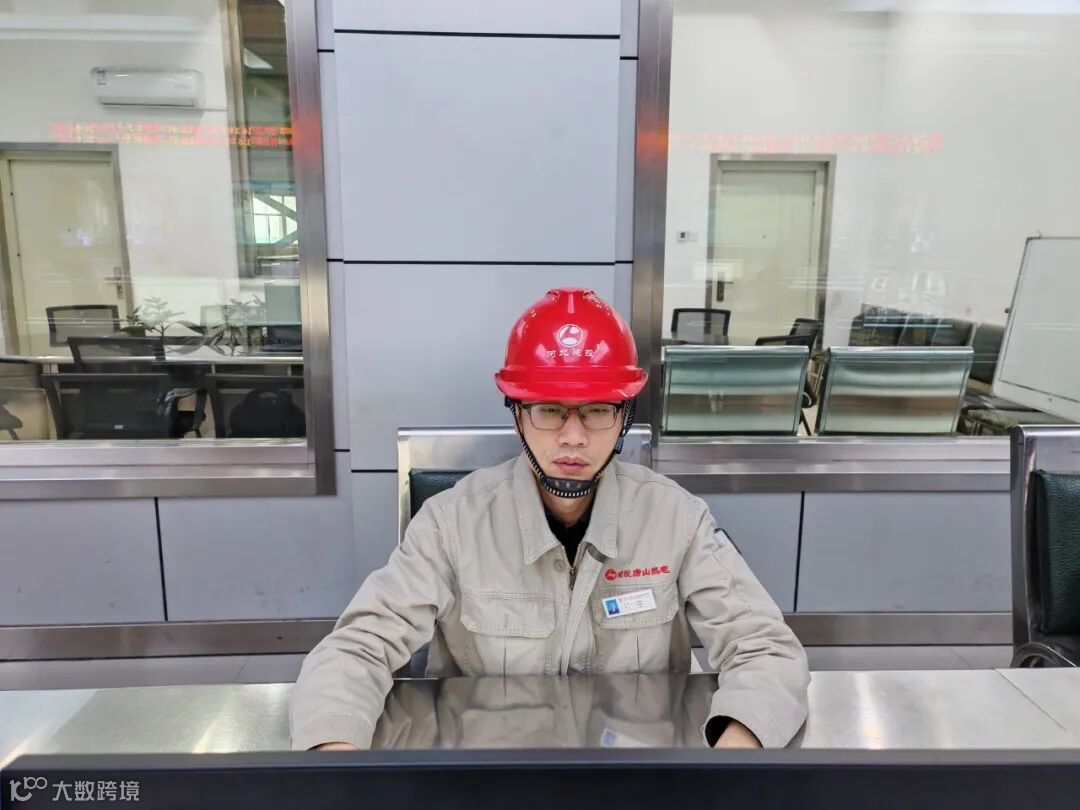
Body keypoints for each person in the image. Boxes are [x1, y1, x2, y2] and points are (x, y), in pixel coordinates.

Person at [290, 287, 809, 751]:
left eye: (597, 410)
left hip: (635, 779)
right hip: (487, 778)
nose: (573, 437)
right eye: (549, 410)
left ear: (624, 415)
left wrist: (730, 764)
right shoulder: (451, 524)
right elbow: (356, 649)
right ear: (517, 412)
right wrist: (335, 767)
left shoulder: (677, 519)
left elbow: (766, 648)